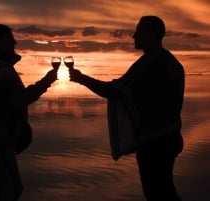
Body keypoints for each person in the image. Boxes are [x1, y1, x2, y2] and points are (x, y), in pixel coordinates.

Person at [69, 16, 184, 201]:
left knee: (158, 193)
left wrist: (81, 78)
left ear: (152, 34)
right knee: (165, 191)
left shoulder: (151, 63)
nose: (133, 36)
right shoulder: (168, 61)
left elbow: (114, 91)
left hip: (156, 143)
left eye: (139, 31)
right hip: (170, 137)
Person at [0, 24, 57, 201]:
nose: (15, 41)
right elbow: (20, 99)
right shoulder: (0, 70)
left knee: (0, 190)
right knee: (11, 189)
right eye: (10, 38)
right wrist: (47, 81)